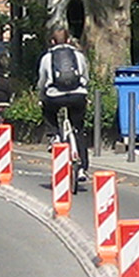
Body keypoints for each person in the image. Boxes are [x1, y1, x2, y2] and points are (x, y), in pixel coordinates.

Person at [37, 25, 91, 186]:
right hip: (77, 96)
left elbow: (42, 80)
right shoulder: (78, 55)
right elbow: (85, 76)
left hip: (55, 97)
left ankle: (54, 135)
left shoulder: (47, 58)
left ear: (52, 41)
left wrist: (41, 96)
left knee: (49, 111)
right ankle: (82, 168)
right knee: (79, 130)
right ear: (68, 40)